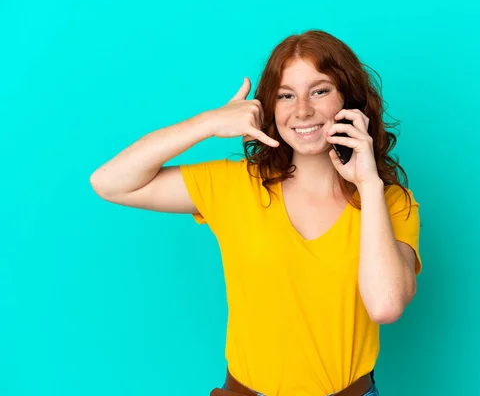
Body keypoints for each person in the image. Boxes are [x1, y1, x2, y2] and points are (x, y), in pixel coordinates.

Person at [90, 29, 422, 396]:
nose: (302, 110)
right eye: (285, 95)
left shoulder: (389, 202)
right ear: (268, 108)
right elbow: (110, 182)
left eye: (320, 90)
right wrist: (209, 123)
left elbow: (386, 306)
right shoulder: (235, 186)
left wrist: (369, 185)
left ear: (349, 101)